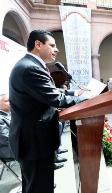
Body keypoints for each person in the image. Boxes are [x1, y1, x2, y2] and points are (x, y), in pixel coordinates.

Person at [9, 30, 85, 193]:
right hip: (34, 142)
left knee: (36, 186)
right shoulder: (30, 68)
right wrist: (87, 99)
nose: (56, 49)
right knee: (39, 188)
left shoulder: (30, 65)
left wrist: (73, 94)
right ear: (38, 45)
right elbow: (55, 98)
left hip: (33, 140)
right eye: (52, 45)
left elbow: (48, 91)